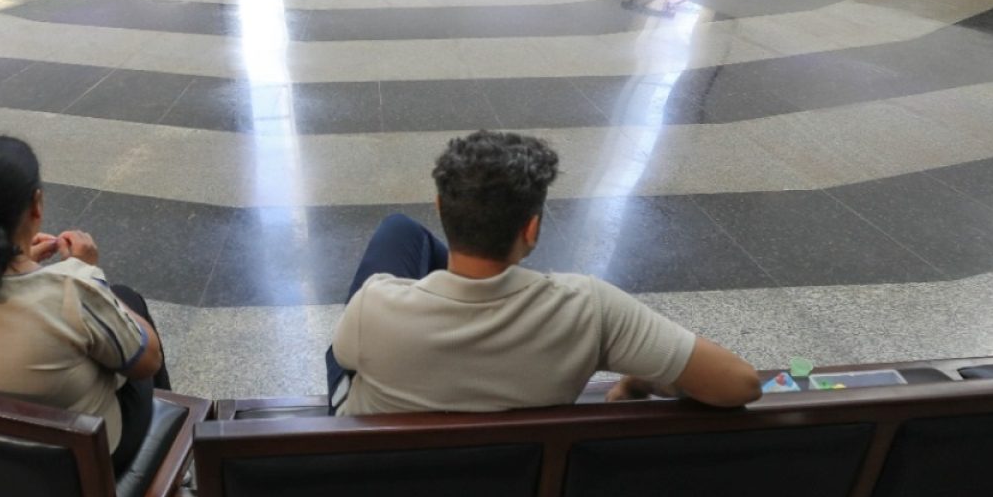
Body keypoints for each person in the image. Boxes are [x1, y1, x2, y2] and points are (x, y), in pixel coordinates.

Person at [325, 131, 760, 416]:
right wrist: (646, 377)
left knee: (398, 233)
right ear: (531, 228)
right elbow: (739, 384)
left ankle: (448, 284)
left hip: (383, 477)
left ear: (441, 210)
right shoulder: (589, 308)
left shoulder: (375, 304)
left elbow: (345, 358)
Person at [0, 136, 170, 474]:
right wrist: (89, 274)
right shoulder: (73, 290)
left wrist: (9, 263)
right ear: (36, 204)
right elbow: (148, 362)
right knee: (127, 305)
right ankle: (174, 455)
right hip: (69, 469)